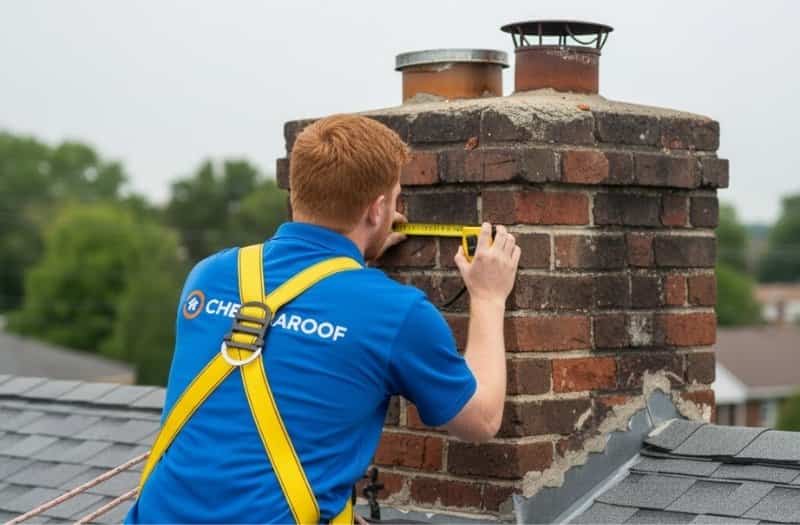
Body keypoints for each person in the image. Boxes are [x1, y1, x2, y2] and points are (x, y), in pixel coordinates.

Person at [126, 114, 520, 524]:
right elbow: (481, 420)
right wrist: (488, 296)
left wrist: (356, 257)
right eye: (395, 199)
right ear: (377, 209)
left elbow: (297, 324)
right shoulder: (395, 312)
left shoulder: (209, 276)